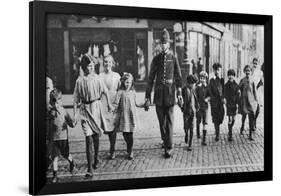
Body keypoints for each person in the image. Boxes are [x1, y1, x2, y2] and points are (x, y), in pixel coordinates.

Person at [145, 28, 183, 158]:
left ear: (169, 44)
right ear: (159, 45)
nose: (163, 45)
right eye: (161, 43)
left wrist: (179, 93)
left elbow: (178, 76)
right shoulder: (156, 59)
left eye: (165, 43)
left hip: (170, 94)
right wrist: (147, 96)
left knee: (170, 121)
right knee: (162, 122)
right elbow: (150, 78)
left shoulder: (173, 58)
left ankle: (169, 147)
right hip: (159, 95)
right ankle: (165, 139)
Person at [73, 55, 113, 177]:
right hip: (85, 110)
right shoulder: (79, 81)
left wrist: (110, 105)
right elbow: (75, 99)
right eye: (87, 66)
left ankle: (95, 157)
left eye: (91, 66)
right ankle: (90, 168)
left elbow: (105, 91)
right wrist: (75, 115)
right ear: (83, 67)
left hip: (96, 108)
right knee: (88, 138)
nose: (90, 69)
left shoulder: (97, 79)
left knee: (96, 136)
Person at [47, 89, 76, 183]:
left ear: (60, 100)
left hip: (63, 137)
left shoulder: (64, 111)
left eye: (57, 101)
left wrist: (74, 122)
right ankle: (55, 175)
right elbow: (48, 124)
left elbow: (71, 123)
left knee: (65, 154)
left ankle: (71, 162)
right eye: (52, 101)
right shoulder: (50, 112)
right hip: (54, 137)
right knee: (54, 156)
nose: (55, 103)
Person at [113, 73, 144, 160]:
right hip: (123, 116)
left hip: (131, 116)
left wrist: (144, 104)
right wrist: (111, 110)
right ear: (123, 82)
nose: (128, 84)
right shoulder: (120, 92)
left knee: (130, 133)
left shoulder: (133, 92)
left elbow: (137, 103)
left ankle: (130, 150)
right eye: (126, 82)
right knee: (125, 133)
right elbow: (115, 104)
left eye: (129, 83)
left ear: (132, 83)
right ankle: (128, 146)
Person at [99, 55, 121, 160]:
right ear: (103, 63)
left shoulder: (117, 76)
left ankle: (112, 150)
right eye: (106, 62)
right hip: (104, 104)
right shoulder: (100, 76)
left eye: (109, 62)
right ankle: (111, 148)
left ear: (112, 64)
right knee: (106, 128)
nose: (107, 64)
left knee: (113, 128)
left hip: (113, 103)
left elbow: (120, 90)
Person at [239, 65, 258, 141]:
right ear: (244, 71)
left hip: (251, 101)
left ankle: (250, 134)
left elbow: (254, 91)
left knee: (251, 116)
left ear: (250, 72)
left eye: (249, 71)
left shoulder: (252, 80)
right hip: (244, 101)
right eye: (246, 70)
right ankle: (242, 126)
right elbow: (238, 89)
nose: (247, 72)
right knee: (244, 116)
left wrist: (256, 100)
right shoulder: (242, 80)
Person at [207, 63, 225, 142]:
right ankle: (217, 134)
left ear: (220, 70)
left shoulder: (222, 80)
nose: (217, 71)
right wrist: (212, 99)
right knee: (215, 118)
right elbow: (210, 91)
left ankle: (217, 128)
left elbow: (224, 90)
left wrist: (224, 98)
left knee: (221, 116)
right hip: (214, 102)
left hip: (221, 102)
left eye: (218, 70)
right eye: (216, 70)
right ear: (213, 70)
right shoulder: (211, 80)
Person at [181, 75, 198, 151]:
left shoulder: (194, 89)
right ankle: (186, 134)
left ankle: (190, 144)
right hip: (186, 111)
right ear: (189, 83)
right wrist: (182, 107)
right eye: (193, 83)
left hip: (193, 111)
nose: (194, 85)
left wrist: (197, 107)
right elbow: (181, 100)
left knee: (192, 127)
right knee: (185, 126)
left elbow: (196, 99)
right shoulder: (184, 89)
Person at [224, 69, 240, 142]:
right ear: (228, 76)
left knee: (233, 119)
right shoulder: (226, 85)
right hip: (229, 104)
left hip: (234, 104)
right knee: (230, 120)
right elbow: (224, 94)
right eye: (229, 75)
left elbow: (238, 95)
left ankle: (230, 129)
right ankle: (230, 134)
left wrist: (237, 103)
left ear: (234, 76)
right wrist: (224, 99)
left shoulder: (236, 85)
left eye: (232, 75)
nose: (230, 76)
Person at [195, 71, 209, 145]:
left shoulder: (207, 87)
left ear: (206, 79)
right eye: (201, 78)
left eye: (203, 78)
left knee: (205, 122)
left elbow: (210, 95)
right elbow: (195, 96)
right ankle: (198, 132)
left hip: (205, 107)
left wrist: (208, 99)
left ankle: (204, 139)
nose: (202, 80)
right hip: (199, 107)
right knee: (198, 120)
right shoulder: (198, 87)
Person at [251, 58, 263, 130]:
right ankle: (252, 123)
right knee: (252, 109)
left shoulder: (260, 72)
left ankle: (254, 120)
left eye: (256, 63)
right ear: (252, 63)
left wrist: (257, 87)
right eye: (254, 63)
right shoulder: (250, 71)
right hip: (251, 91)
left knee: (258, 109)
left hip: (257, 91)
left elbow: (261, 82)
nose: (255, 65)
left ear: (258, 64)